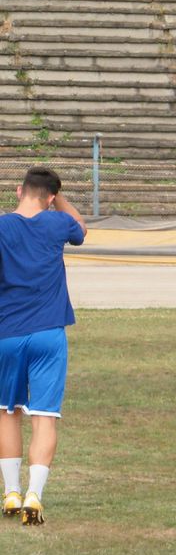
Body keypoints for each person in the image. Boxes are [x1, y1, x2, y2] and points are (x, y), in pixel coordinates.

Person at [0, 167, 86, 526]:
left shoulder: (3, 225)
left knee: (7, 412)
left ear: (19, 191)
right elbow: (80, 227)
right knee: (45, 415)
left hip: (7, 331)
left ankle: (10, 492)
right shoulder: (56, 224)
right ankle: (35, 493)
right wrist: (59, 197)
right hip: (49, 332)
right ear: (51, 198)